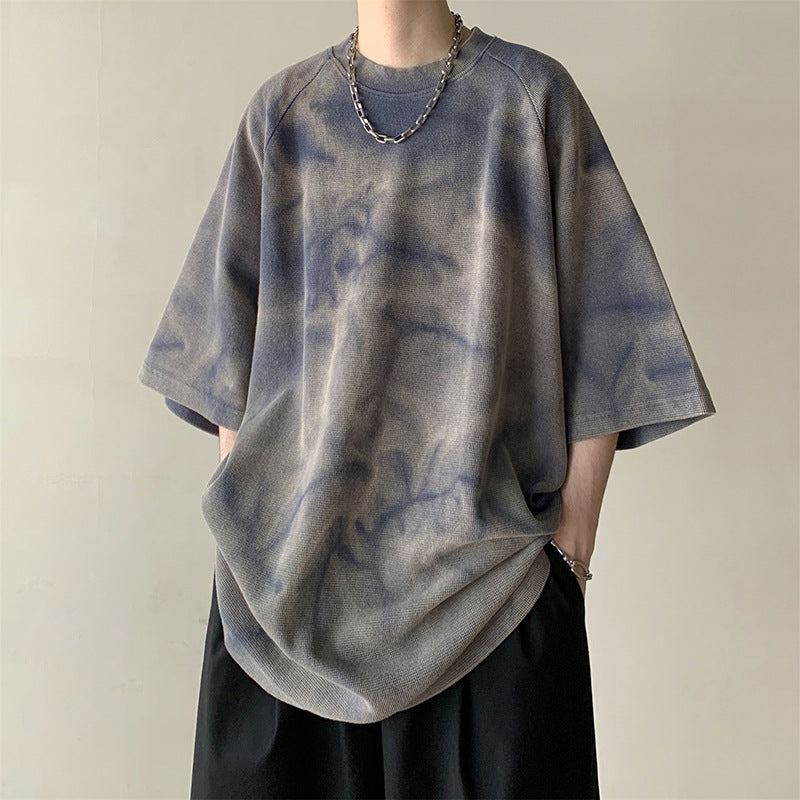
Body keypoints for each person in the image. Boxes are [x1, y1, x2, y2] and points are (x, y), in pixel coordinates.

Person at [138, 2, 717, 797]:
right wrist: (256, 541)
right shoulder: (283, 115)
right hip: (280, 623)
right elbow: (223, 367)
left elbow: (614, 341)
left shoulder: (530, 101)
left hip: (490, 615)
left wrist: (570, 558)